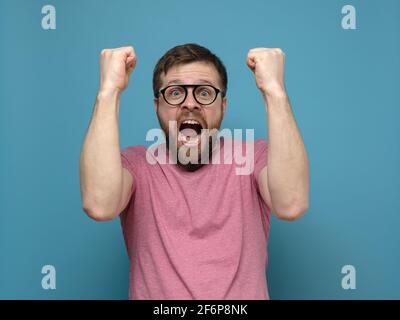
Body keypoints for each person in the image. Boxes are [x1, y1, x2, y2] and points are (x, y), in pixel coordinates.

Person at [79, 43, 309, 299]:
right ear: (157, 106)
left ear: (223, 105)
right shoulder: (137, 165)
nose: (191, 103)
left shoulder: (253, 158)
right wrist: (108, 91)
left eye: (204, 92)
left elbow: (291, 204)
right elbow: (100, 205)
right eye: (175, 93)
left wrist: (274, 92)